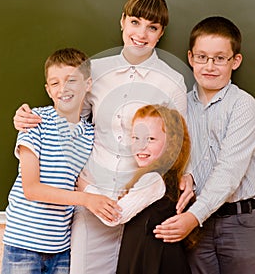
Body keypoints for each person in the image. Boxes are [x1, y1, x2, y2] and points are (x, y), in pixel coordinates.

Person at [12, 0, 192, 274]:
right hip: (92, 196)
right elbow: (71, 118)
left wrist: (188, 174)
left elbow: (179, 142)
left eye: (152, 27)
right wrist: (26, 117)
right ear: (122, 22)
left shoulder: (172, 81)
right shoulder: (95, 70)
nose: (141, 33)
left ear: (161, 33)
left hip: (141, 204)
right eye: (135, 22)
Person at [154, 16, 255, 274]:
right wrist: (187, 174)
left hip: (238, 221)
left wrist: (193, 218)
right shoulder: (180, 106)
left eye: (220, 58)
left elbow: (229, 170)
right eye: (202, 57)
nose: (210, 66)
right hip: (196, 223)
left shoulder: (243, 105)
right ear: (191, 58)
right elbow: (174, 154)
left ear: (235, 61)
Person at [2, 48, 120, 274]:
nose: (63, 89)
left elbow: (81, 180)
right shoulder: (35, 122)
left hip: (61, 248)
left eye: (71, 80)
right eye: (54, 83)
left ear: (87, 84)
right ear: (48, 90)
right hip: (23, 244)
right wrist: (87, 199)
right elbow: (31, 189)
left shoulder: (90, 135)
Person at [79, 104, 192, 273]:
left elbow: (116, 215)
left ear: (171, 145)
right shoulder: (165, 177)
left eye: (151, 139)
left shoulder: (153, 179)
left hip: (151, 263)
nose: (141, 146)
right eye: (135, 138)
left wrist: (85, 188)